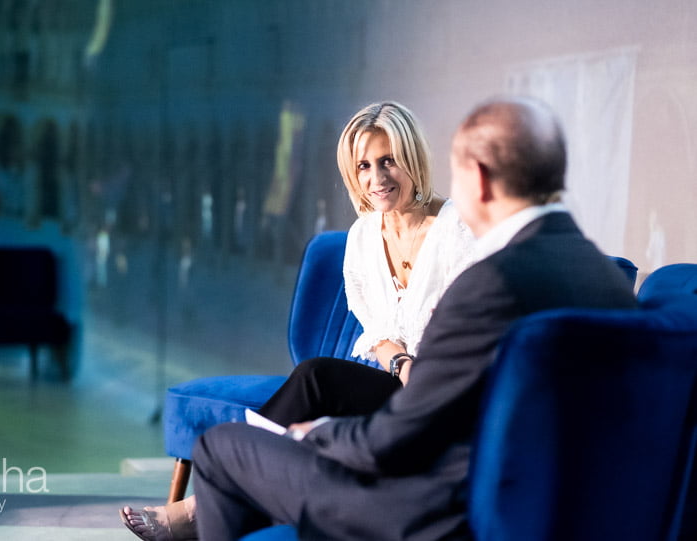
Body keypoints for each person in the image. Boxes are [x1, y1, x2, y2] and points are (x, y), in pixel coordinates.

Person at [187, 96, 639, 541]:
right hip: (546, 500)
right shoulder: (607, 280)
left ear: (477, 178)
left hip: (437, 508)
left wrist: (320, 433)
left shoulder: (488, 283)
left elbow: (398, 437)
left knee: (220, 447)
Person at [120, 102, 477, 540]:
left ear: (413, 159)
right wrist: (403, 364)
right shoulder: (365, 234)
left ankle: (201, 506)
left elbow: (472, 330)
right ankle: (209, 503)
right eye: (364, 166)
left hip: (443, 396)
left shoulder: (455, 229)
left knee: (316, 380)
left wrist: (423, 374)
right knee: (315, 378)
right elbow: (378, 330)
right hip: (402, 381)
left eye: (389, 162)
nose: (377, 179)